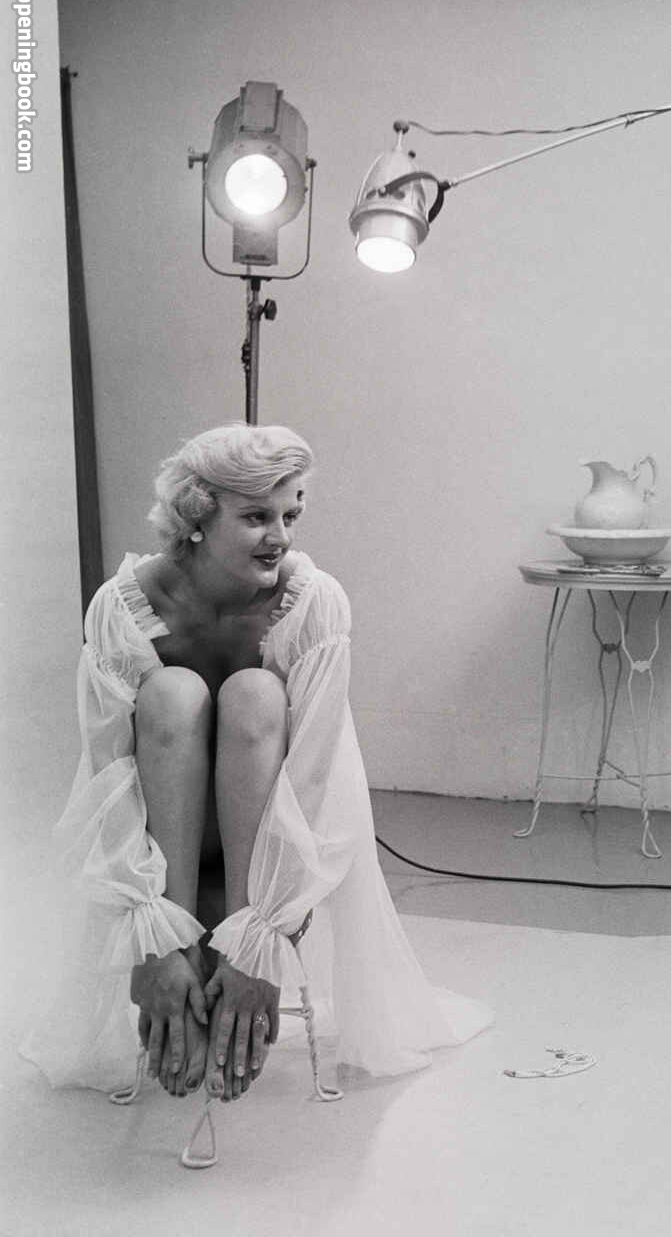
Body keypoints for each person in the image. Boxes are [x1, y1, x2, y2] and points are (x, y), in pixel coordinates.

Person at [22, 423, 492, 1098]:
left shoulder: (313, 604)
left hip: (271, 850)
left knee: (254, 693)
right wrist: (154, 941)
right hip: (168, 854)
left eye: (290, 515)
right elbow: (110, 784)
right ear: (196, 517)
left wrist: (261, 943)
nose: (281, 537)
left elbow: (317, 782)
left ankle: (235, 942)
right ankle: (183, 948)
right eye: (255, 517)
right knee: (172, 693)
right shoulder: (121, 609)